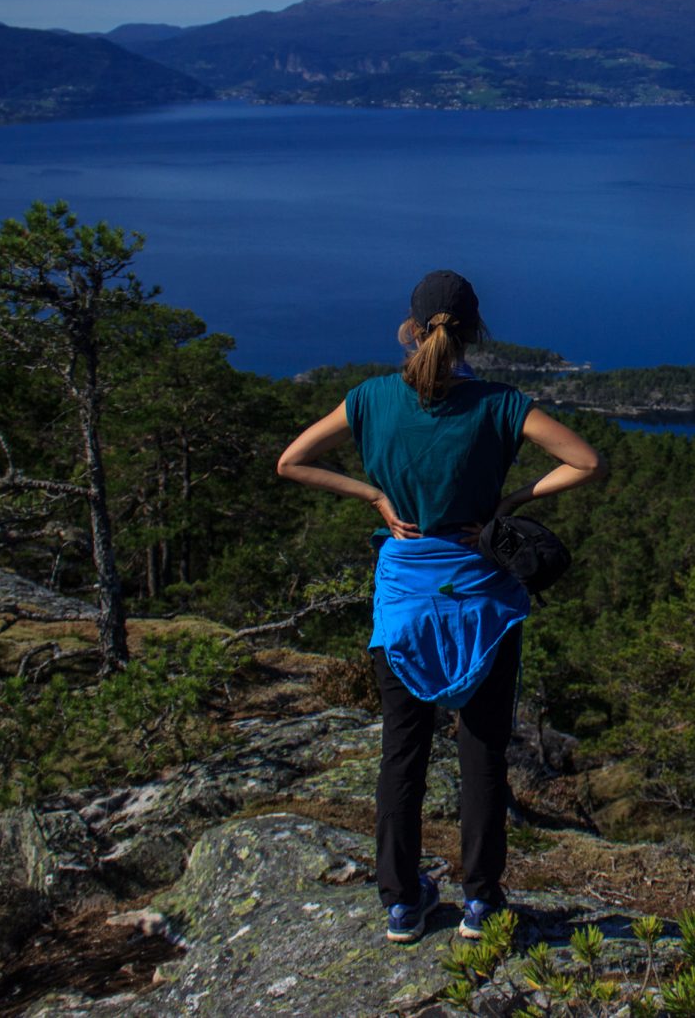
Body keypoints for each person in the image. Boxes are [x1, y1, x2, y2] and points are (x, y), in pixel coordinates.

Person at [275, 270, 606, 945]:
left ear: (411, 326)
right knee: (483, 753)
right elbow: (585, 461)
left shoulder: (369, 399)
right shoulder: (501, 404)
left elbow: (292, 462)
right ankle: (481, 900)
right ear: (473, 330)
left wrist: (374, 497)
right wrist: (511, 503)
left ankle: (401, 901)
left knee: (404, 754)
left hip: (406, 598)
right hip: (483, 600)